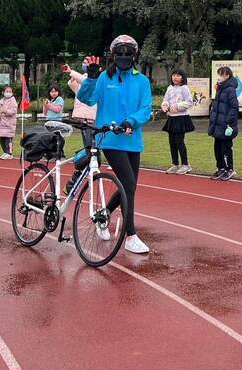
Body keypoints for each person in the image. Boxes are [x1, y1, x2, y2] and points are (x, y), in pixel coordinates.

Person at [77, 34, 152, 254]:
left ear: (134, 55)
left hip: (132, 140)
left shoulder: (142, 81)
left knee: (129, 187)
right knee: (128, 184)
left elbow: (146, 109)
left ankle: (104, 215)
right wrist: (90, 77)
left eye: (128, 52)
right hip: (109, 139)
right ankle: (130, 235)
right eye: (119, 52)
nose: (124, 56)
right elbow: (87, 99)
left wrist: (132, 120)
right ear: (113, 55)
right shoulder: (104, 78)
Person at [62, 61, 98, 194]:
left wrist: (72, 72)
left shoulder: (94, 80)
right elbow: (74, 83)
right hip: (85, 119)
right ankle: (73, 181)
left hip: (94, 119)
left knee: (94, 152)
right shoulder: (83, 81)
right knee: (91, 152)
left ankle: (76, 179)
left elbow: (86, 80)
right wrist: (72, 74)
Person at [161, 68, 195, 175]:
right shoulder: (169, 88)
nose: (175, 77)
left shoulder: (184, 88)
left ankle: (186, 165)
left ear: (182, 78)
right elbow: (166, 100)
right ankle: (175, 164)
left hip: (181, 118)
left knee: (179, 142)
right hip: (171, 118)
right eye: (174, 75)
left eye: (178, 75)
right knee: (172, 142)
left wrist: (177, 106)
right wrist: (165, 105)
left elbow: (189, 102)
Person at [208, 66, 239, 181]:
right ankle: (220, 167)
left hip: (226, 124)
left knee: (226, 148)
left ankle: (229, 169)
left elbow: (234, 107)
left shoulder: (230, 89)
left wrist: (228, 121)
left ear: (227, 76)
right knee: (217, 148)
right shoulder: (220, 88)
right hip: (217, 124)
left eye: (221, 75)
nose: (219, 77)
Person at [0, 86, 17, 160]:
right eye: (7, 91)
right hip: (1, 124)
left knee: (8, 139)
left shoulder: (13, 101)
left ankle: (9, 153)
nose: (8, 93)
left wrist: (4, 111)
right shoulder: (2, 100)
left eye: (10, 91)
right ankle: (5, 152)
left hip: (9, 124)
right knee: (2, 139)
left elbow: (13, 111)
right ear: (3, 92)